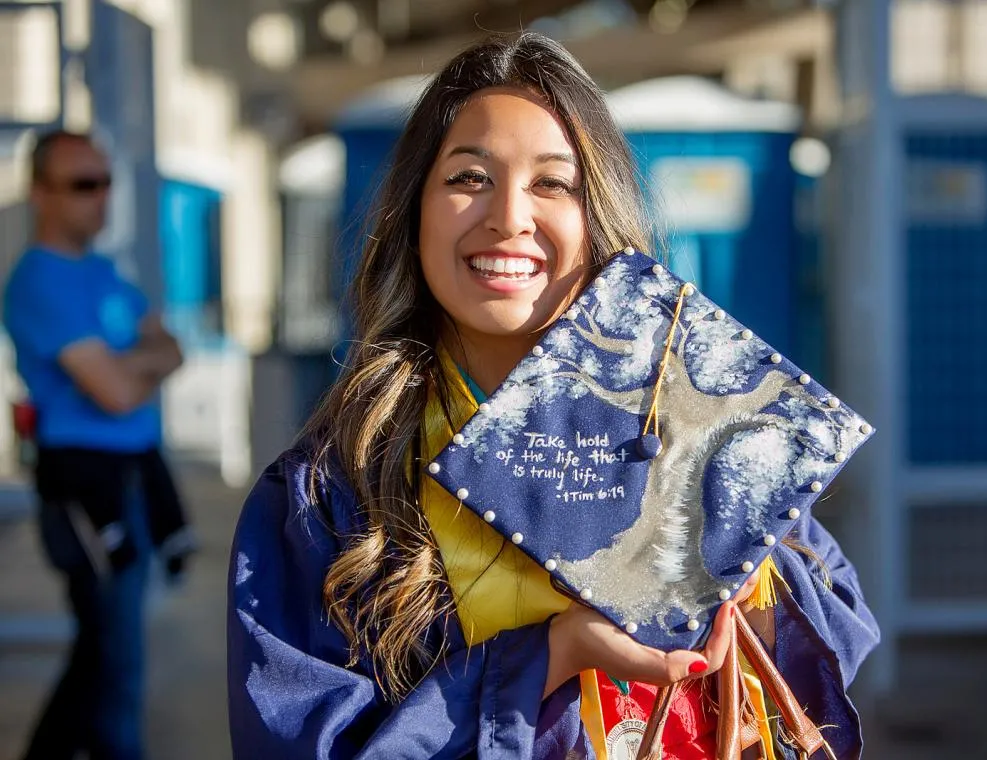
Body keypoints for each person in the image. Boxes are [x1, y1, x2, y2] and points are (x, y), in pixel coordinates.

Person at [228, 33, 879, 759]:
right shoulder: (330, 492)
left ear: (596, 219)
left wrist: (748, 573)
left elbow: (839, 639)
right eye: (469, 178)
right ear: (413, 214)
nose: (509, 217)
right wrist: (549, 657)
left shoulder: (696, 428)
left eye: (553, 183)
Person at [4, 130, 195, 760]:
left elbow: (172, 348)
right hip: (85, 488)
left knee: (100, 654)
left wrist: (124, 365)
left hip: (135, 476)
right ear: (40, 194)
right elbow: (117, 391)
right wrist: (135, 367)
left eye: (105, 181)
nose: (101, 197)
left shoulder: (106, 273)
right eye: (84, 184)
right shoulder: (38, 282)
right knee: (115, 664)